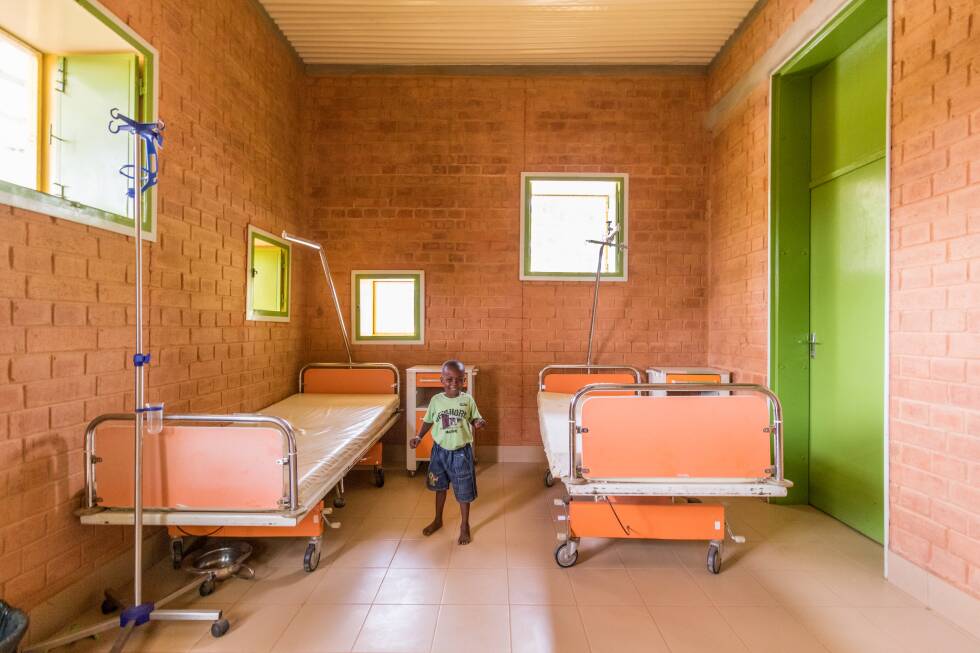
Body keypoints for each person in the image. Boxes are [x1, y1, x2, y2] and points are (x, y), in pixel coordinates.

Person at [409, 359, 486, 545]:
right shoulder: (436, 401)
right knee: (440, 487)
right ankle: (438, 519)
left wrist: (478, 423)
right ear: (442, 380)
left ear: (464, 381)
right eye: (449, 379)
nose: (454, 383)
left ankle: (464, 525)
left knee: (463, 491)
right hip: (439, 452)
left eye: (459, 379)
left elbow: (474, 418)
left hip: (461, 453)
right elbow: (428, 421)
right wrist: (418, 437)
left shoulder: (467, 400)